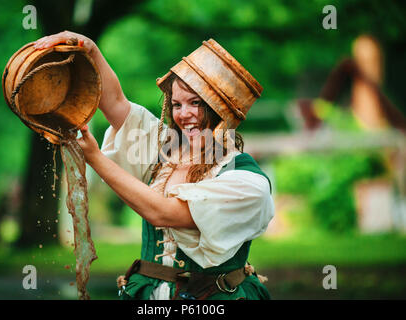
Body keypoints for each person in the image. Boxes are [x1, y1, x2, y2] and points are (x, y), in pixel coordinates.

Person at [34, 31, 275, 300]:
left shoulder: (246, 181)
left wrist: (95, 159)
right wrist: (90, 50)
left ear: (222, 109)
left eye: (197, 103)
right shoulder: (164, 150)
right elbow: (114, 102)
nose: (185, 114)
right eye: (176, 104)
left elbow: (164, 213)